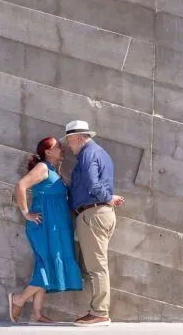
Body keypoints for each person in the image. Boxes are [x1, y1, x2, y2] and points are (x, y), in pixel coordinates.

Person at [8, 136, 83, 324]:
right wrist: (26, 213)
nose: (62, 149)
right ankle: (19, 299)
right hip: (44, 226)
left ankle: (36, 314)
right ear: (48, 152)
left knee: (45, 263)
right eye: (58, 147)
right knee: (47, 264)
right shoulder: (42, 168)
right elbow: (20, 186)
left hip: (56, 227)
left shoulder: (53, 170)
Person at [63, 120, 124, 328]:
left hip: (93, 214)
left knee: (97, 266)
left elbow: (92, 183)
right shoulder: (99, 153)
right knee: (98, 264)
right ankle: (98, 310)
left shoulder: (88, 154)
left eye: (70, 141)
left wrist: (106, 198)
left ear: (79, 137)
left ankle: (100, 313)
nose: (69, 146)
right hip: (99, 213)